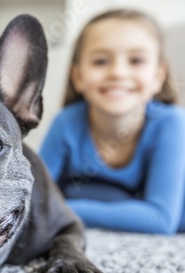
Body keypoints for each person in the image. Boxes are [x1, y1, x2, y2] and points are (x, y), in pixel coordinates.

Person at [39, 9, 185, 234]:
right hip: (99, 198)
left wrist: (60, 208)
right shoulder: (66, 123)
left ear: (158, 77)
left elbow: (161, 219)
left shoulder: (171, 122)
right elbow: (36, 195)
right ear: (78, 77)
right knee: (85, 191)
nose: (118, 72)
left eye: (136, 60)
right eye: (100, 61)